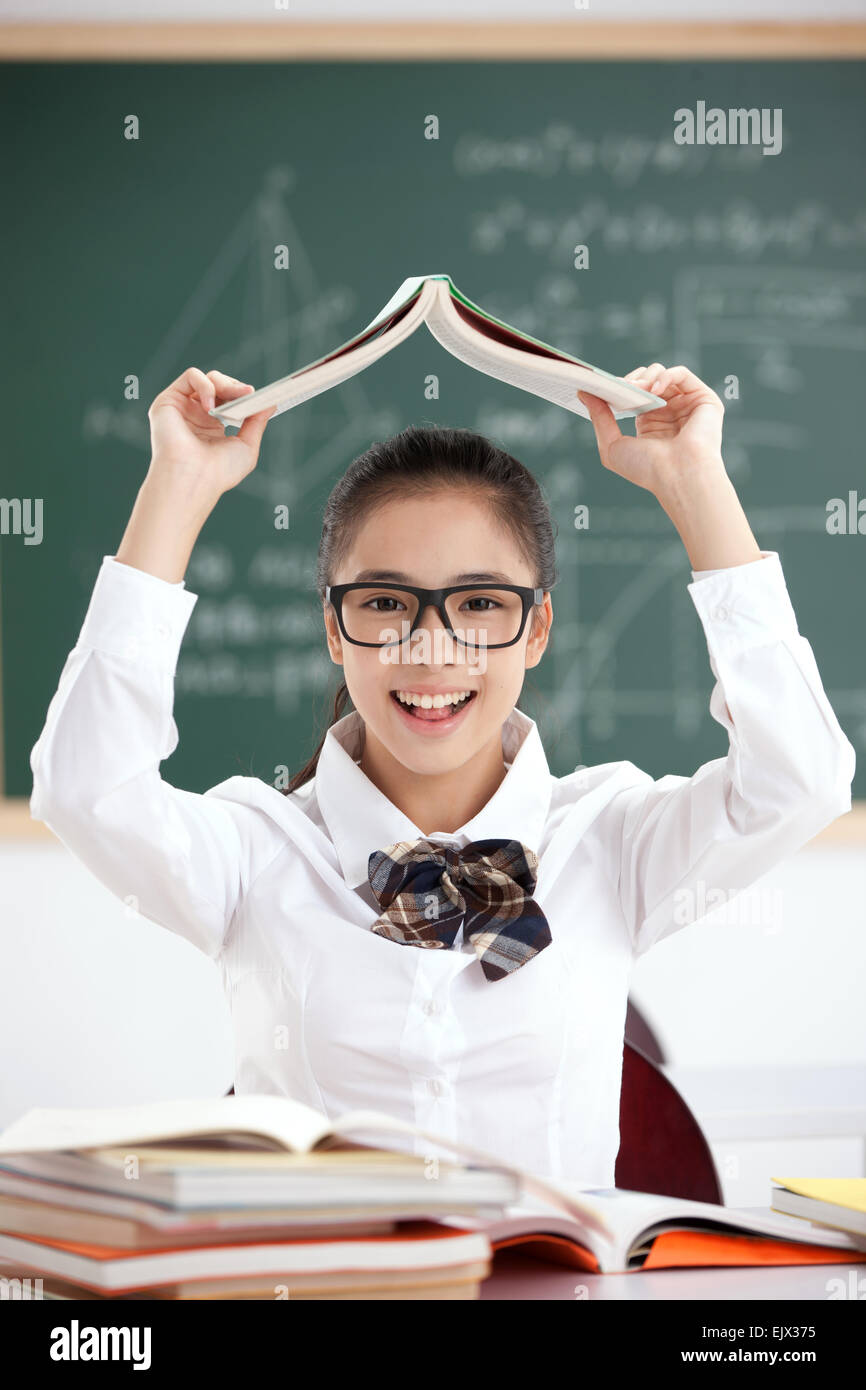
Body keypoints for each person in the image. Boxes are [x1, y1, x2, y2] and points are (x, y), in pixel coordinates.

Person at [30, 363, 854, 1185]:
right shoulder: (254, 852)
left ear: (537, 631)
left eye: (480, 604)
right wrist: (178, 484)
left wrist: (694, 481)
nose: (431, 647)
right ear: (333, 626)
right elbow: (86, 788)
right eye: (386, 603)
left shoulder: (609, 838)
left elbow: (801, 775)